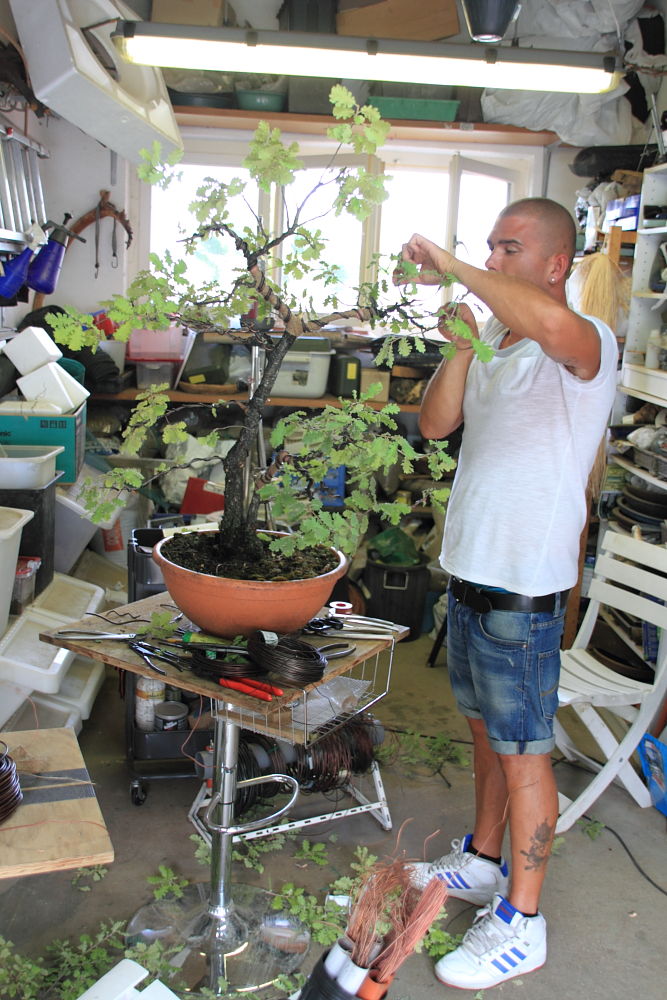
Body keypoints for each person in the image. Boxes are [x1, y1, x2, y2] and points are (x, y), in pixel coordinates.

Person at [395, 198, 618, 991]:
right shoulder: (496, 338)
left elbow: (553, 326)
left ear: (556, 265)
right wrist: (461, 342)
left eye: (509, 248)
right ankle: (482, 861)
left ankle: (522, 923)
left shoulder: (586, 341)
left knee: (524, 757)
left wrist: (454, 267)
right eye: (487, 245)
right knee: (488, 740)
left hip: (523, 589)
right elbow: (434, 424)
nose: (492, 258)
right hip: (470, 573)